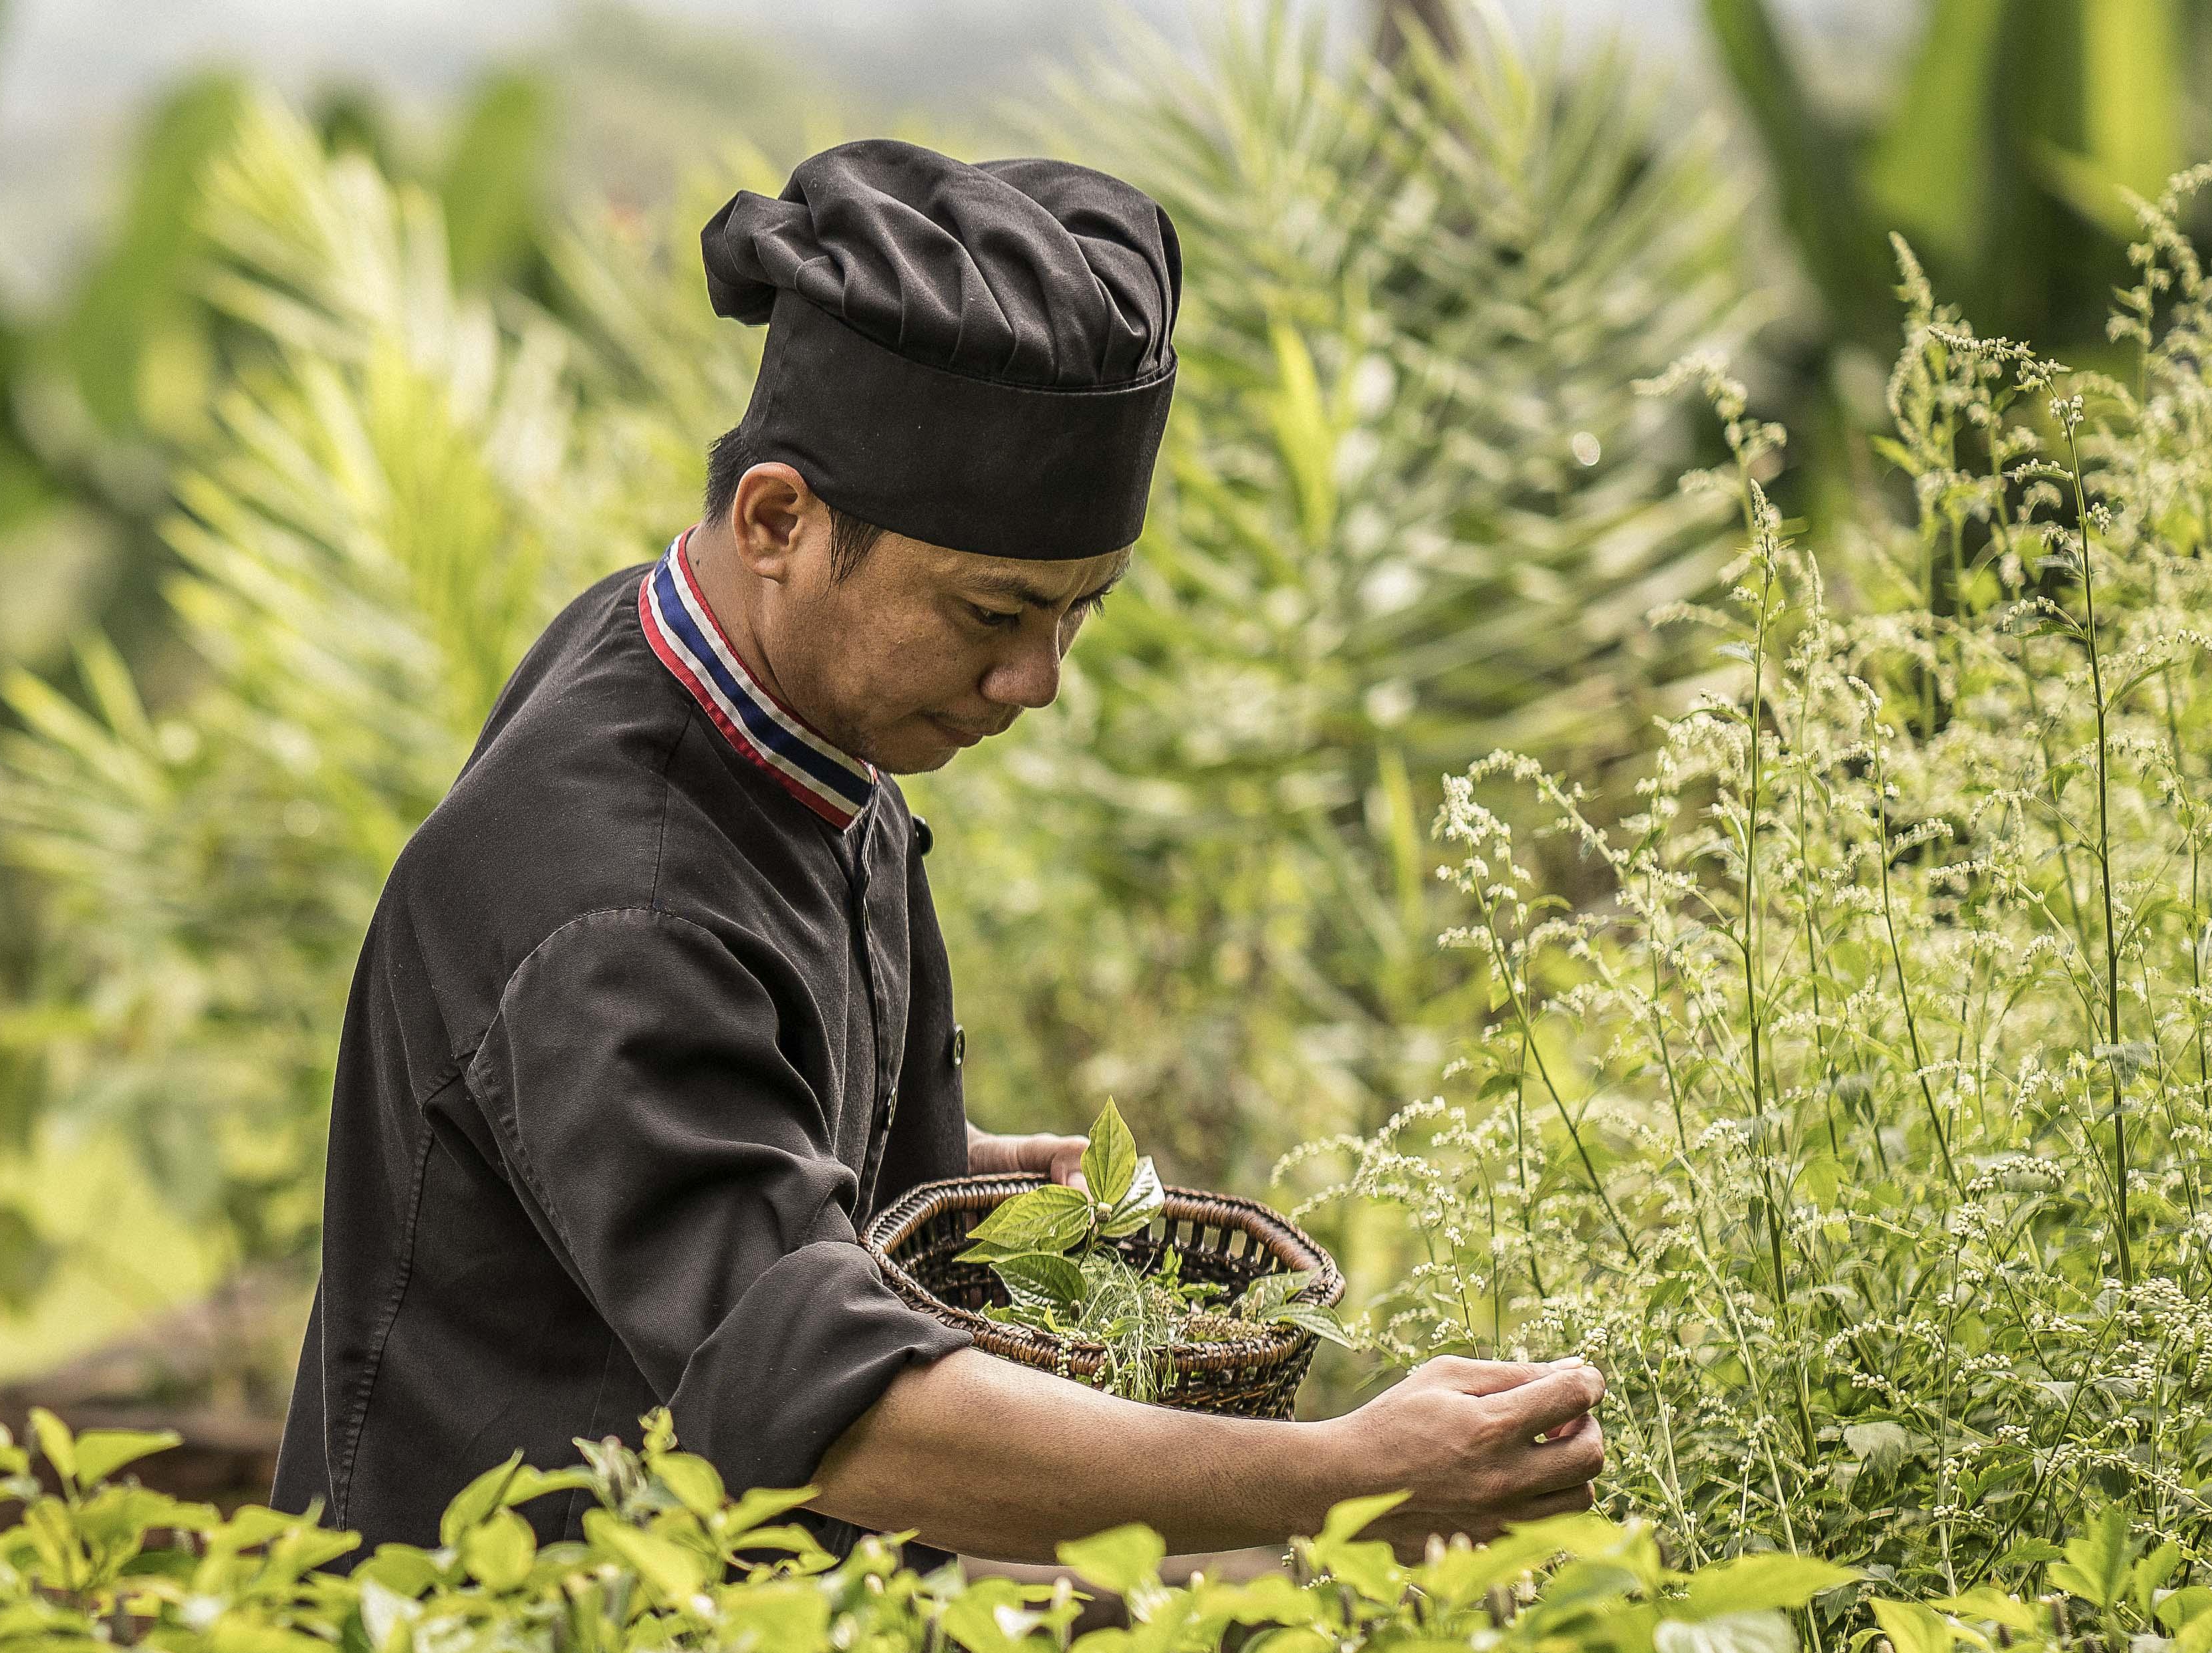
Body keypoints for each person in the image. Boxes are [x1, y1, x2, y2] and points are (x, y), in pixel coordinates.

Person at [266, 140, 1604, 1567]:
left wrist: (908, 1157)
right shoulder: (615, 896)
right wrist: (1338, 1475)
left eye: (1078, 613)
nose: (1035, 680)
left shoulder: (735, 678)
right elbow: (844, 1420)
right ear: (780, 518)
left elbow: (621, 1109)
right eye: (990, 614)